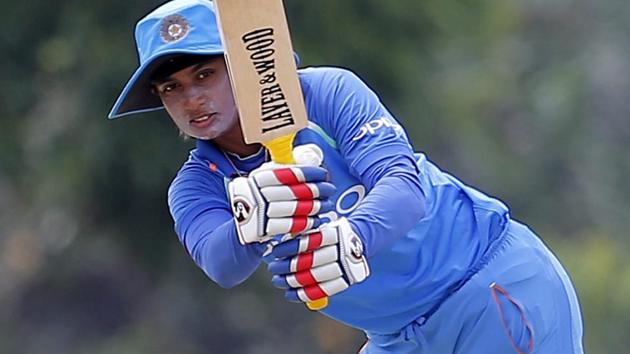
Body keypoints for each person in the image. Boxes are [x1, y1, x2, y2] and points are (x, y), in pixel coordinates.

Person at [109, 0, 584, 353]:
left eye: (205, 74)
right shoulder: (197, 184)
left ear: (242, 66)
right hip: (398, 337)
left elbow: (403, 189)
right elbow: (222, 263)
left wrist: (352, 236)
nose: (191, 99)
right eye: (171, 88)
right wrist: (252, 222)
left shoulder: (326, 93)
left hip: (489, 285)